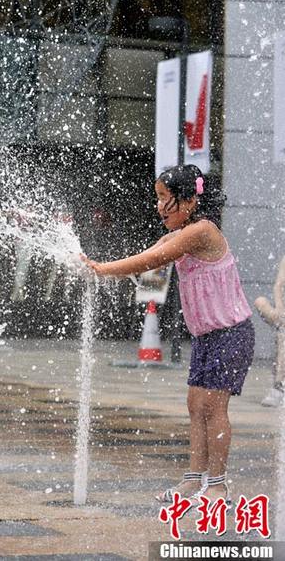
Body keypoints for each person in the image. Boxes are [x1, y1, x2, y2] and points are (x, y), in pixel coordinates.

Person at [82, 164, 254, 505]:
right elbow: (150, 256)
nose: (159, 206)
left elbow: (150, 260)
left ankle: (217, 485)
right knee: (195, 405)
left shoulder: (202, 231)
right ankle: (193, 480)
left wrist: (101, 270)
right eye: (157, 198)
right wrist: (96, 265)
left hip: (231, 333)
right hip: (208, 336)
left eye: (164, 198)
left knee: (213, 408)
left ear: (189, 200)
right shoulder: (182, 233)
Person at [254, 256, 285, 407]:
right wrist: (280, 309)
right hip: (282, 316)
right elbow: (278, 285)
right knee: (260, 301)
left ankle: (278, 386)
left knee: (282, 338)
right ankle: (278, 387)